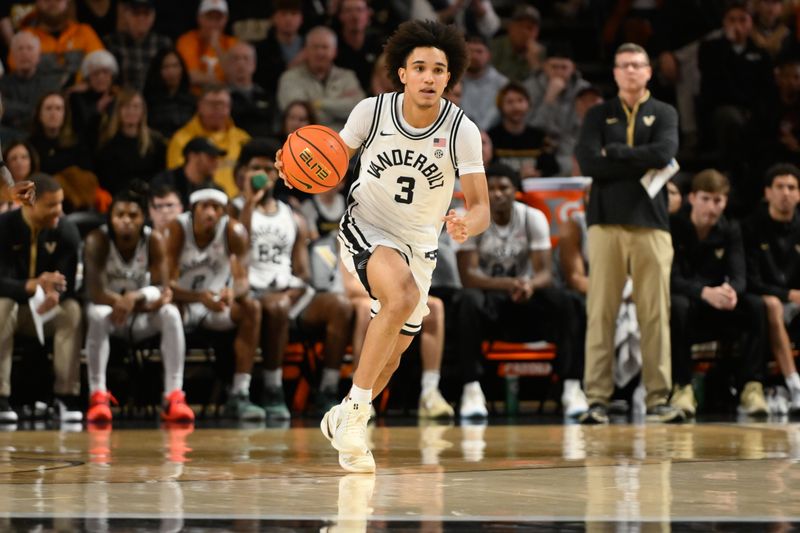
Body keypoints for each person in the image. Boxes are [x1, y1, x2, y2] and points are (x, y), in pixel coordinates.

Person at [276, 20, 489, 473]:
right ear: (402, 74)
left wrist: (467, 223)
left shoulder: (461, 130)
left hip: (420, 246)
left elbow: (481, 207)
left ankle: (344, 414)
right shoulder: (371, 112)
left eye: (439, 70)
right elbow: (329, 163)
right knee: (402, 296)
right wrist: (295, 166)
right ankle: (356, 416)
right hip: (367, 226)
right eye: (420, 68)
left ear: (449, 78)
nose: (430, 77)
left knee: (392, 354)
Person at [575, 42, 683, 425]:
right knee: (600, 312)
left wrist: (616, 153)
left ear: (649, 71)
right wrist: (637, 159)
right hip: (604, 223)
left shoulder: (665, 112)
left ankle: (658, 399)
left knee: (655, 315)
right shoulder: (597, 114)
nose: (631, 71)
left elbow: (666, 152)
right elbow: (589, 162)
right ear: (616, 72)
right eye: (624, 65)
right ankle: (597, 400)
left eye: (638, 64)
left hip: (652, 224)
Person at [456, 163, 586, 418]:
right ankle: (471, 389)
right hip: (491, 302)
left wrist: (528, 285)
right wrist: (508, 284)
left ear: (516, 190)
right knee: (467, 301)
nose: (497, 193)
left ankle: (572, 387)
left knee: (567, 301)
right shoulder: (471, 219)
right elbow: (468, 277)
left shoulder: (532, 217)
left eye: (503, 187)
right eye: (490, 188)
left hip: (525, 300)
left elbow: (545, 273)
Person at [238, 143, 354, 418]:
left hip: (287, 292)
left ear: (277, 174)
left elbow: (302, 271)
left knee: (341, 306)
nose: (263, 175)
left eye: (269, 169)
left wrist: (293, 290)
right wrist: (249, 204)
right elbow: (236, 251)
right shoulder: (233, 211)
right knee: (276, 306)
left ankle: (327, 389)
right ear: (242, 173)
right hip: (252, 295)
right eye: (256, 168)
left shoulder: (293, 216)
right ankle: (272, 389)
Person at [83, 185, 194, 424]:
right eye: (120, 215)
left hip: (140, 315)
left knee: (171, 313)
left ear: (143, 218)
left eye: (133, 215)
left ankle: (174, 396)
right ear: (110, 218)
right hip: (113, 317)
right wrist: (135, 301)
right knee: (96, 313)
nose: (126, 221)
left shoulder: (152, 239)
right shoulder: (97, 240)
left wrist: (133, 297)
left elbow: (163, 289)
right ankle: (98, 394)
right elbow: (96, 293)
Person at [670, 169, 769, 417]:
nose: (711, 207)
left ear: (725, 202)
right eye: (705, 199)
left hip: (718, 306)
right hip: (691, 304)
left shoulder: (730, 229)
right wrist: (703, 292)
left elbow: (739, 275)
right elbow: (670, 278)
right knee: (677, 305)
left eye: (718, 200)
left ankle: (751, 387)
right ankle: (682, 387)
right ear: (692, 198)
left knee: (756, 305)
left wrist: (732, 292)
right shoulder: (674, 225)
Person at [165, 186, 265, 421]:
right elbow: (165, 286)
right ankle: (172, 395)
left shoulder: (233, 231)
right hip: (183, 303)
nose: (210, 213)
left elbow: (243, 281)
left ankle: (240, 392)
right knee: (166, 312)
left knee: (251, 307)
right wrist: (199, 297)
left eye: (217, 208)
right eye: (205, 207)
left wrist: (232, 292)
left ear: (223, 212)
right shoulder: (176, 230)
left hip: (215, 305)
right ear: (193, 210)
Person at [0, 174, 82, 423]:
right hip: (15, 310)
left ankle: (65, 398)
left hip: (47, 310)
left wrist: (55, 295)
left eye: (61, 204)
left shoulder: (66, 230)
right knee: (1, 306)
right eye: (51, 205)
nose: (59, 211)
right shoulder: (4, 227)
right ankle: (1, 398)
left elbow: (68, 281)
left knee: (72, 311)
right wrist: (34, 285)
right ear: (30, 204)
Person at [742, 163, 800, 412]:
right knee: (773, 305)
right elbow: (750, 280)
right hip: (765, 300)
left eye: (792, 187)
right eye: (779, 187)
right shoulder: (751, 227)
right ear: (767, 193)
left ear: (799, 194)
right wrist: (787, 294)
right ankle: (794, 384)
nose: (785, 193)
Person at [276, 26, 365, 132]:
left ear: (334, 51)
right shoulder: (290, 78)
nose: (320, 53)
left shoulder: (348, 77)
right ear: (306, 50)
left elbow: (360, 111)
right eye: (315, 47)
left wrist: (319, 104)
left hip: (343, 143)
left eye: (325, 47)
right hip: (305, 142)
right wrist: (340, 110)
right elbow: (297, 115)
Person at [166, 85, 250, 197]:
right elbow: (177, 179)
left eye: (222, 104)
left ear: (230, 107)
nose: (217, 109)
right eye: (212, 104)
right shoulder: (181, 140)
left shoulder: (243, 139)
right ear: (199, 105)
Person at [95, 89, 166, 194]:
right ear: (118, 110)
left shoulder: (156, 141)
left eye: (136, 106)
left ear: (143, 111)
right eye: (126, 106)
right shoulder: (107, 142)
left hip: (150, 196)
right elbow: (106, 180)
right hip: (118, 198)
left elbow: (161, 176)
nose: (131, 111)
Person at [13, 0, 104, 80]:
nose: (52, 3)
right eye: (46, 0)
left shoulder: (84, 32)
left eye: (58, 0)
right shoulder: (25, 37)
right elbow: (15, 70)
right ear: (37, 2)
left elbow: (101, 64)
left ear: (67, 2)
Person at [0, 31, 67, 134]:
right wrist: (33, 110)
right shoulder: (2, 83)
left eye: (29, 48)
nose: (24, 53)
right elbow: (3, 109)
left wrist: (16, 110)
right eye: (20, 48)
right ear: (12, 55)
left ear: (39, 55)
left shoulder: (51, 84)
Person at [103, 0, 172, 92]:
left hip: (157, 102)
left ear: (153, 16)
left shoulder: (163, 44)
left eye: (146, 14)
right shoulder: (111, 42)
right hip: (122, 101)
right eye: (136, 13)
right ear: (126, 15)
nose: (141, 18)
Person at [176, 0, 238, 92]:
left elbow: (235, 76)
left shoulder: (232, 43)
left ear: (226, 19)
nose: (213, 23)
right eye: (209, 17)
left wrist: (217, 47)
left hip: (225, 98)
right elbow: (190, 75)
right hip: (194, 97)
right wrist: (221, 84)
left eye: (218, 18)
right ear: (199, 18)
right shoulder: (187, 41)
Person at [153, 136, 221, 218]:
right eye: (211, 157)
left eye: (217, 158)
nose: (217, 162)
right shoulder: (164, 182)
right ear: (192, 156)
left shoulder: (214, 190)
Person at [142, 48, 196, 139]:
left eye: (175, 66)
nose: (171, 72)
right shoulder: (147, 101)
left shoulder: (193, 100)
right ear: (158, 71)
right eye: (165, 67)